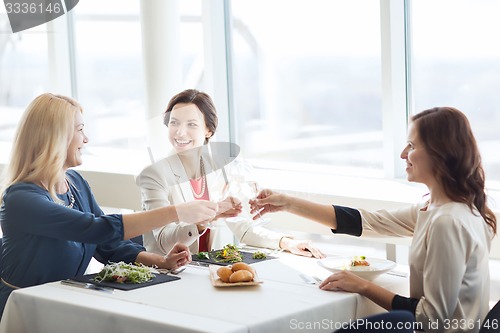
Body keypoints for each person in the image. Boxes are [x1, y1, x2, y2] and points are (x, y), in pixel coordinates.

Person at [250, 107, 497, 333]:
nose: (403, 154)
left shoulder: (448, 221)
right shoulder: (438, 209)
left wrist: (363, 286)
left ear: (440, 154)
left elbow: (431, 319)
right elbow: (365, 221)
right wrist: (287, 203)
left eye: (411, 146)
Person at [0, 93, 218, 318]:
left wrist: (161, 261)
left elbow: (107, 244)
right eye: (80, 130)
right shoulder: (21, 199)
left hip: (64, 302)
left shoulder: (75, 183)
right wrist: (177, 212)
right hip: (24, 310)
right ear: (54, 138)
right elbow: (96, 228)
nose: (86, 139)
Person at [136, 89, 324, 258]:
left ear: (208, 130)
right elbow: (163, 241)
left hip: (203, 270)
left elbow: (241, 226)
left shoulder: (217, 170)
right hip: (165, 274)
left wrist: (286, 243)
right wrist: (209, 217)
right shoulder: (154, 176)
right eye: (174, 123)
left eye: (191, 125)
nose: (180, 132)